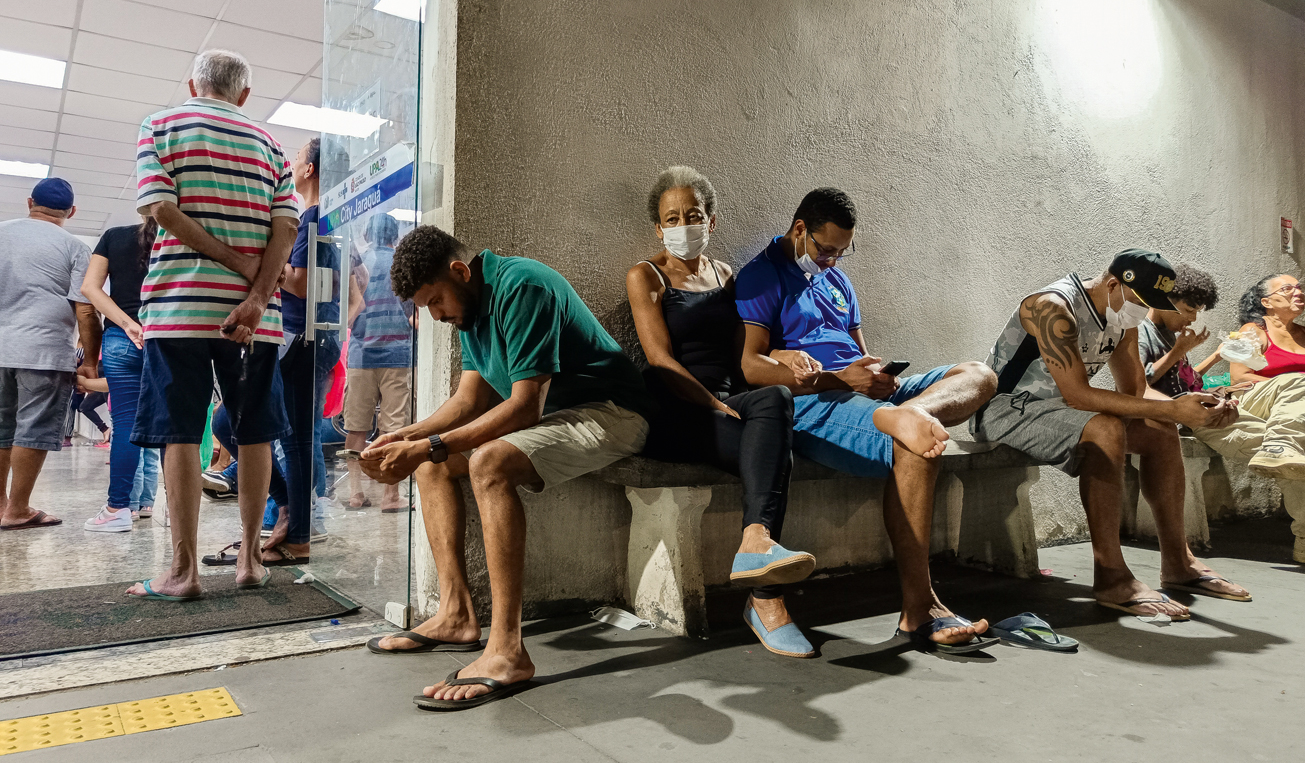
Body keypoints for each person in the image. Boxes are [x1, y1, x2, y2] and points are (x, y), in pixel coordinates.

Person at [359, 226, 654, 711]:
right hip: (563, 415)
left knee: (488, 462)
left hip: (614, 413)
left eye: (435, 302)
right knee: (432, 466)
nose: (436, 316)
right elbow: (469, 400)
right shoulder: (471, 310)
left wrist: (428, 444)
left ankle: (508, 650)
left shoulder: (522, 287)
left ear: (460, 272)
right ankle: (456, 615)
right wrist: (407, 438)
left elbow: (523, 409)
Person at [735, 188, 999, 652]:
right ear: (800, 230)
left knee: (978, 374)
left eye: (842, 251)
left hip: (863, 394)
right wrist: (840, 379)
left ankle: (910, 413)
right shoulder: (761, 277)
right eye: (827, 249)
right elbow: (751, 367)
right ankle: (921, 610)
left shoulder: (838, 282)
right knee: (914, 444)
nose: (834, 260)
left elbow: (861, 354)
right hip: (815, 402)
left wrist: (877, 379)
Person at [971, 250, 1250, 614]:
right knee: (1106, 428)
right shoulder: (1053, 307)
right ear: (1114, 283)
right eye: (1141, 301)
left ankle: (1179, 563)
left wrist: (1194, 404)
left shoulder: (1122, 317)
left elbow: (1134, 389)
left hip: (1060, 412)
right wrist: (1170, 407)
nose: (1142, 311)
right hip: (1003, 410)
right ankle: (1111, 576)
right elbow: (1079, 394)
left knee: (1160, 430)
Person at [127, 49, 298, 598]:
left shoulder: (161, 125)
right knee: (255, 432)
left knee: (179, 431)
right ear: (244, 96)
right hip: (256, 319)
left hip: (179, 308)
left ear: (193, 85)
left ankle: (183, 572)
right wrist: (257, 292)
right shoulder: (271, 144)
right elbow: (286, 230)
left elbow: (162, 210)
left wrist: (234, 265)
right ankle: (249, 561)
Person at [626, 166, 812, 657]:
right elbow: (661, 361)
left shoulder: (729, 275)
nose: (682, 224)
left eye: (693, 214)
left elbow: (744, 361)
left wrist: (784, 360)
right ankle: (767, 602)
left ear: (711, 221)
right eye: (672, 217)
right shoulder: (645, 275)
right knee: (779, 455)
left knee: (776, 401)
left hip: (730, 404)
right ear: (658, 227)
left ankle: (755, 543)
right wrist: (713, 404)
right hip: (675, 410)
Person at [1186, 273, 1305, 567]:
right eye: (1288, 288)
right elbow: (1241, 378)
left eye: (1300, 288)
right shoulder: (1254, 331)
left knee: (1300, 457)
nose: (1298, 293)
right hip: (1266, 402)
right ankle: (1281, 446)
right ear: (1266, 302)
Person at [263, 136, 346, 563]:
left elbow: (299, 281)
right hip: (314, 337)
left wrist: (266, 261)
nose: (292, 163)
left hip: (302, 338)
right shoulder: (328, 221)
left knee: (294, 438)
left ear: (310, 169)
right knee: (293, 434)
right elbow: (346, 284)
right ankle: (293, 511)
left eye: (297, 158)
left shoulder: (312, 219)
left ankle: (298, 533)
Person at [0, 178, 96, 530]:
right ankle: (18, 509)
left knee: (2, 428)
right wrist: (89, 362)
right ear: (71, 212)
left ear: (29, 202)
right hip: (43, 350)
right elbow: (85, 309)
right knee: (32, 430)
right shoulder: (74, 247)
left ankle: (1, 505)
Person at [80, 213, 160, 532]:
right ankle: (174, 513)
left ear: (142, 209)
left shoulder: (114, 236)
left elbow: (90, 288)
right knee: (175, 426)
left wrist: (128, 323)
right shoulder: (186, 235)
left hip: (121, 339)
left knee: (125, 422)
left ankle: (117, 509)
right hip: (170, 335)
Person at [344, 214, 412, 513]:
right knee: (393, 428)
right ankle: (390, 496)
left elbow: (347, 305)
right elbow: (413, 309)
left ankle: (356, 494)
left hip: (361, 354)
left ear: (367, 233)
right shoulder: (402, 265)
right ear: (394, 236)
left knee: (356, 427)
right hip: (398, 354)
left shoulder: (359, 265)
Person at [1138, 263, 1224, 397]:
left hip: (1187, 408)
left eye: (1197, 312)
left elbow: (1185, 380)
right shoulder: (1141, 332)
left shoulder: (1172, 333)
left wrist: (1216, 357)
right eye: (1189, 310)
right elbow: (1139, 384)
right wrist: (1177, 352)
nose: (1193, 319)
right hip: (1163, 414)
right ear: (1163, 301)